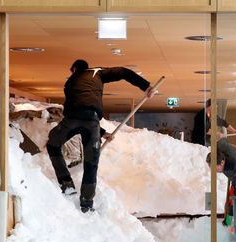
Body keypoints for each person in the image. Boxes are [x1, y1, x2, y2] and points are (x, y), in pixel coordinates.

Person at [46, 59, 155, 213]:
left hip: (71, 120)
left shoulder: (71, 81)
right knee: (91, 163)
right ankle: (86, 202)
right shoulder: (97, 73)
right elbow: (123, 72)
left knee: (53, 144)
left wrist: (103, 133)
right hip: (91, 122)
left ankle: (66, 183)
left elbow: (79, 109)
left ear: (75, 69)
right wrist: (145, 86)